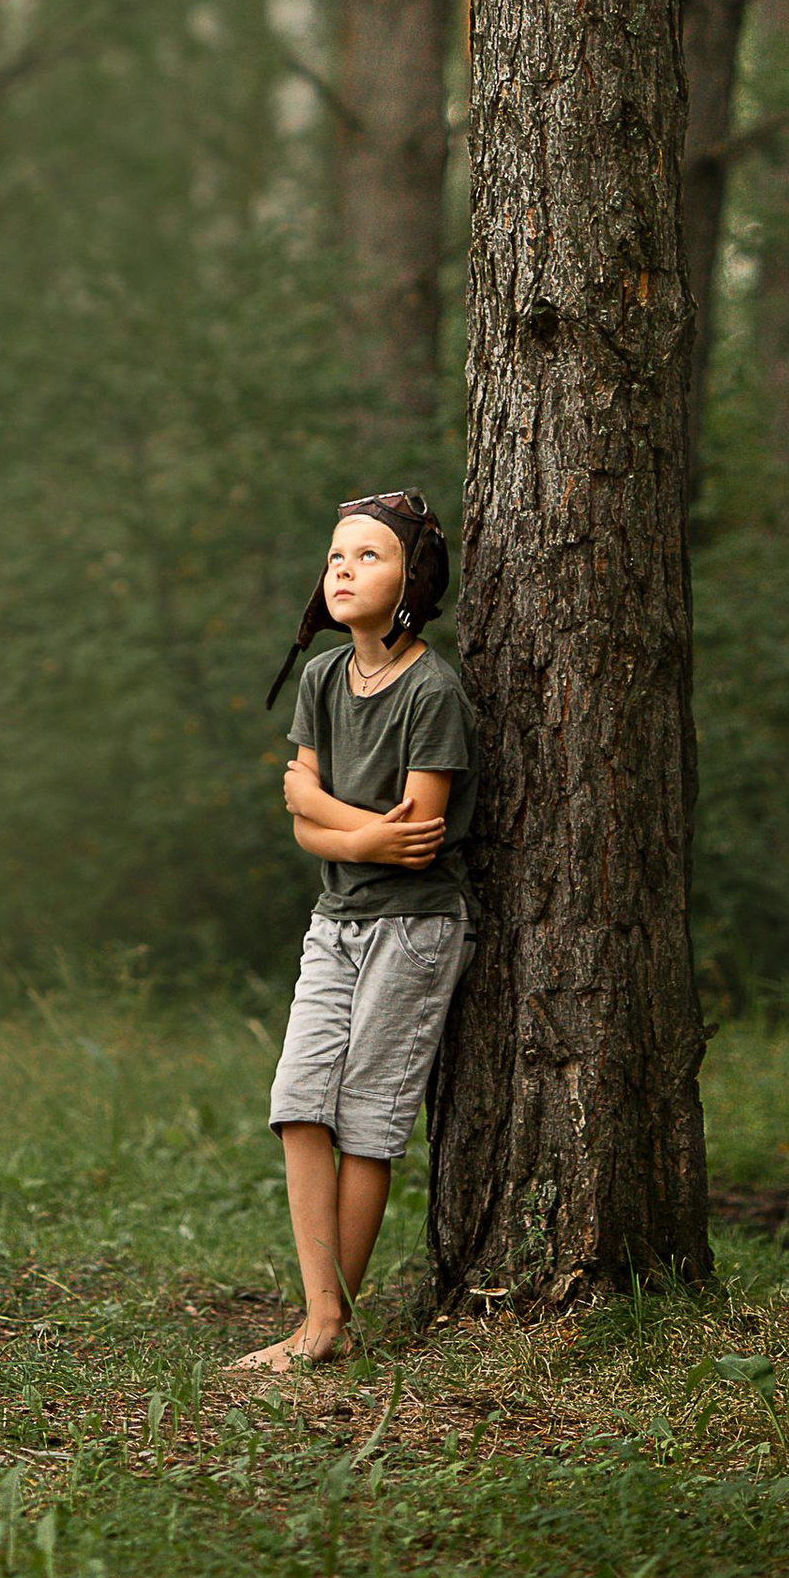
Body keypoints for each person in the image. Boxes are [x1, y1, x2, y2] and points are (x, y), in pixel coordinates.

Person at [233, 488, 474, 1376]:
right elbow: (305, 829)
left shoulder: (433, 689)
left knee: (368, 1123)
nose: (343, 570)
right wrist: (356, 831)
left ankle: (329, 1326)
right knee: (299, 1106)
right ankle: (319, 1314)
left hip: (412, 931)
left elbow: (415, 838)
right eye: (336, 556)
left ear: (414, 579)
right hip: (334, 922)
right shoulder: (323, 678)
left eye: (368, 557)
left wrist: (341, 820)